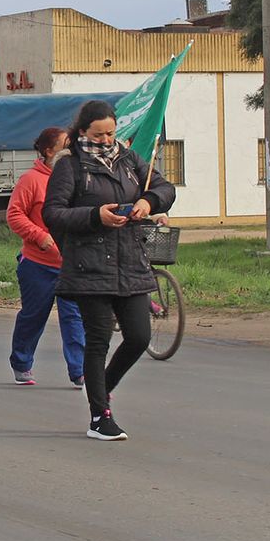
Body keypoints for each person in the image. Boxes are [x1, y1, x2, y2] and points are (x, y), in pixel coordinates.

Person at [42, 100, 176, 442]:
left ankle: (103, 385)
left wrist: (149, 203)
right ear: (82, 132)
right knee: (98, 340)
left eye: (111, 133)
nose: (105, 140)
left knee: (139, 337)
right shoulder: (69, 166)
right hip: (90, 267)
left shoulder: (129, 160)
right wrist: (94, 216)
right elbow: (53, 214)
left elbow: (163, 187)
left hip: (131, 261)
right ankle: (100, 417)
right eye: (98, 134)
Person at [6, 127, 86, 388]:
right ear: (49, 151)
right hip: (38, 265)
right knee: (34, 316)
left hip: (71, 265)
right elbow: (15, 215)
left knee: (74, 318)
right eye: (65, 145)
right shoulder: (31, 180)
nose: (70, 150)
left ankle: (80, 370)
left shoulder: (77, 177)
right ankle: (21, 362)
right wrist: (39, 236)